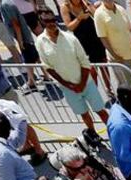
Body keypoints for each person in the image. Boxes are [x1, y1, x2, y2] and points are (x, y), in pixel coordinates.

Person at [34, 6, 108, 144]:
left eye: (53, 20)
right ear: (41, 22)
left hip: (86, 83)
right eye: (47, 21)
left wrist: (81, 83)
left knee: (101, 111)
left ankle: (114, 133)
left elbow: (84, 62)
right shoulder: (40, 42)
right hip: (68, 88)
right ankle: (93, 135)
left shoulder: (70, 38)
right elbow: (48, 67)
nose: (51, 23)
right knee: (84, 114)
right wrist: (68, 84)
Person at [61, 0, 110, 94]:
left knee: (104, 65)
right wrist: (79, 18)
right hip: (82, 41)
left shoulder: (84, 2)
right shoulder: (65, 7)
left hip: (95, 37)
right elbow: (69, 27)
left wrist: (89, 6)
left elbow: (96, 15)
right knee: (91, 70)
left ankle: (109, 89)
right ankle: (95, 93)